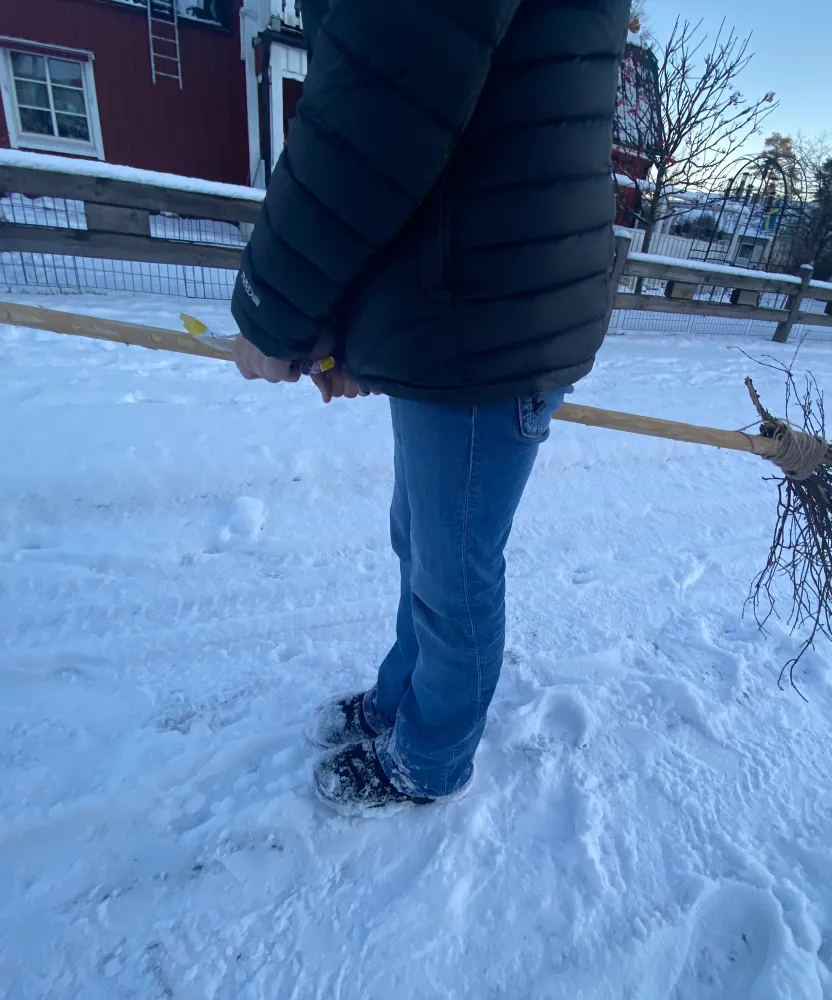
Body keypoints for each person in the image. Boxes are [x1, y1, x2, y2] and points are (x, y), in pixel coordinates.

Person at [230, 0, 631, 814]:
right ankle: (398, 701)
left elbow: (378, 121)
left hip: (488, 326)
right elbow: (445, 136)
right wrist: (363, 343)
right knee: (421, 542)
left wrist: (274, 311)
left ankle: (431, 757)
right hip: (462, 314)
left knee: (454, 575)